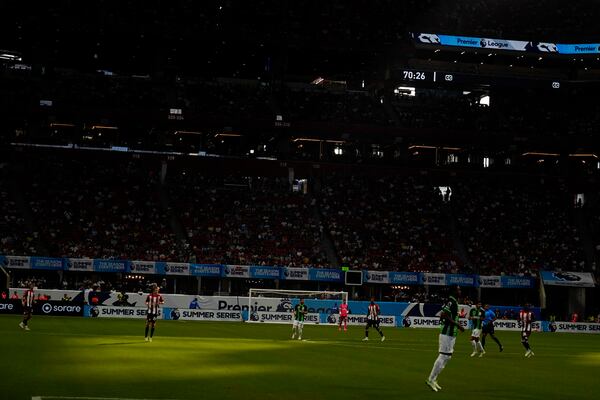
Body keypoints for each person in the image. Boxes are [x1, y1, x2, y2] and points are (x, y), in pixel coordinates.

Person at [426, 286, 465, 392]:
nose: (460, 291)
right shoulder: (451, 301)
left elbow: (445, 315)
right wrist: (458, 324)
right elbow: (443, 314)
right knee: (443, 355)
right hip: (447, 333)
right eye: (458, 289)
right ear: (454, 291)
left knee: (448, 357)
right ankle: (430, 379)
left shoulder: (454, 302)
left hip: (451, 333)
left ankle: (434, 379)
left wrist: (458, 318)